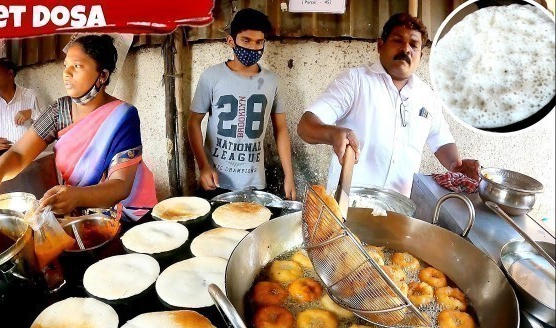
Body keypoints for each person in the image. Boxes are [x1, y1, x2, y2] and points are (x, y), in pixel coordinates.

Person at [0, 35, 157, 221]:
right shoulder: (59, 111)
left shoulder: (123, 116)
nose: (67, 73)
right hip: (81, 217)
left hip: (128, 216)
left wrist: (78, 196)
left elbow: (120, 186)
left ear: (102, 76)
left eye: (77, 66)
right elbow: (20, 154)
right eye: (66, 66)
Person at [297, 13, 479, 197]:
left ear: (421, 55)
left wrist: (457, 165)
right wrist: (333, 133)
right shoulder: (355, 81)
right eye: (398, 40)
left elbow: (441, 141)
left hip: (398, 213)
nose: (406, 49)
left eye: (414, 45)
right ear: (380, 46)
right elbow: (306, 126)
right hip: (348, 208)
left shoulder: (427, 97)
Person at [188, 8, 297, 200]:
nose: (253, 48)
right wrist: (204, 166)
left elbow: (281, 130)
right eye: (246, 40)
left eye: (259, 42)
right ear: (231, 41)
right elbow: (193, 122)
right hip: (215, 181)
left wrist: (289, 175)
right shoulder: (212, 76)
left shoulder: (273, 82)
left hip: (254, 183)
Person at [0, 57, 42, 165]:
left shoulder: (30, 96)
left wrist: (31, 113)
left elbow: (45, 127)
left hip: (27, 158)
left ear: (10, 74)